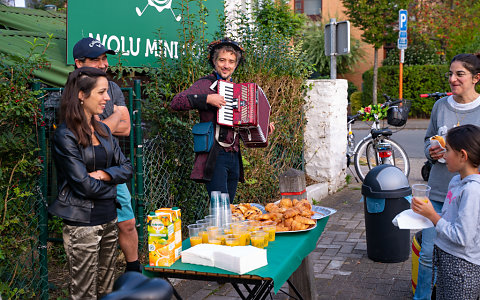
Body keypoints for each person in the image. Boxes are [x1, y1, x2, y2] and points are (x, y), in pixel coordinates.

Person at [48, 67, 133, 299]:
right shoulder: (65, 135)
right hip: (82, 225)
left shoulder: (103, 129)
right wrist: (113, 184)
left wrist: (105, 175)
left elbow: (127, 168)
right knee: (84, 293)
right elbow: (83, 186)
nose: (108, 97)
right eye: (102, 92)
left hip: (109, 219)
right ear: (82, 95)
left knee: (106, 290)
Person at [170, 38, 273, 203]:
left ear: (236, 65)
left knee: (228, 208)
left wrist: (262, 128)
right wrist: (207, 99)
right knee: (221, 208)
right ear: (214, 61)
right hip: (215, 155)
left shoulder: (238, 90)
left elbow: (243, 125)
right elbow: (176, 102)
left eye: (231, 61)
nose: (226, 65)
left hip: (234, 156)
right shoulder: (206, 84)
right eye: (222, 60)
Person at [73, 37, 141, 272]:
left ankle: (134, 272)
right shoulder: (73, 89)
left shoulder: (112, 87)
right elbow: (86, 132)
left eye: (104, 59)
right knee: (94, 231)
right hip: (84, 171)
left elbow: (126, 127)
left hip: (113, 167)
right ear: (79, 63)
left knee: (128, 223)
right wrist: (106, 125)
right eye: (96, 59)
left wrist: (100, 126)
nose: (103, 64)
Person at [415, 53, 480, 299]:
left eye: (459, 74)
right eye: (450, 74)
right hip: (440, 189)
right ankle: (423, 296)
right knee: (429, 254)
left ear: (476, 78)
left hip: (470, 194)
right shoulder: (440, 106)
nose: (453, 79)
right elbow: (427, 140)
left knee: (464, 252)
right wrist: (431, 152)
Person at [412, 124, 480, 300]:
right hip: (446, 258)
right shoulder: (456, 181)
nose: (443, 154)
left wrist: (433, 216)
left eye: (447, 150)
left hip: (462, 267)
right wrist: (426, 214)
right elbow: (449, 220)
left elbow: (462, 237)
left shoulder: (472, 191)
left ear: (463, 156)